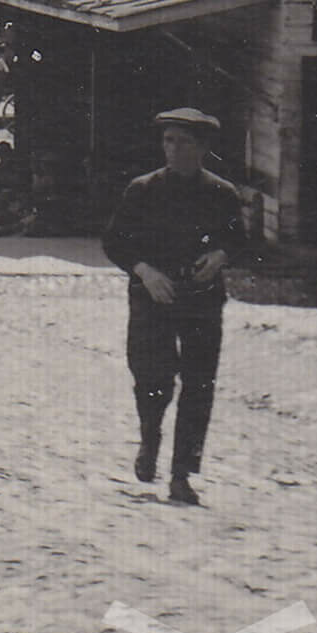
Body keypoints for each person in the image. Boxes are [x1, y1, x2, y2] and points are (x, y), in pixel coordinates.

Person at [101, 107, 248, 507]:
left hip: (201, 299)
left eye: (183, 142)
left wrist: (219, 255)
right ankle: (150, 440)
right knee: (152, 377)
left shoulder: (222, 194)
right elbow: (115, 241)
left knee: (199, 385)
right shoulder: (143, 190)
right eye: (168, 141)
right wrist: (145, 271)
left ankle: (182, 473)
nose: (173, 149)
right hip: (153, 296)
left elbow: (239, 239)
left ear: (202, 148)